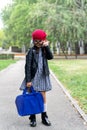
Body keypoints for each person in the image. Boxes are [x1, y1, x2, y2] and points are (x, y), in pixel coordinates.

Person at [25, 29, 53, 127]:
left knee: (43, 96)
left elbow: (50, 57)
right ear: (33, 41)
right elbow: (27, 66)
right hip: (33, 77)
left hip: (42, 76)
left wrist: (47, 46)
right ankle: (32, 117)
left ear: (43, 40)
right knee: (32, 96)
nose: (37, 43)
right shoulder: (31, 51)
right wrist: (28, 80)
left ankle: (44, 116)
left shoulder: (45, 49)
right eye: (35, 40)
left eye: (40, 40)